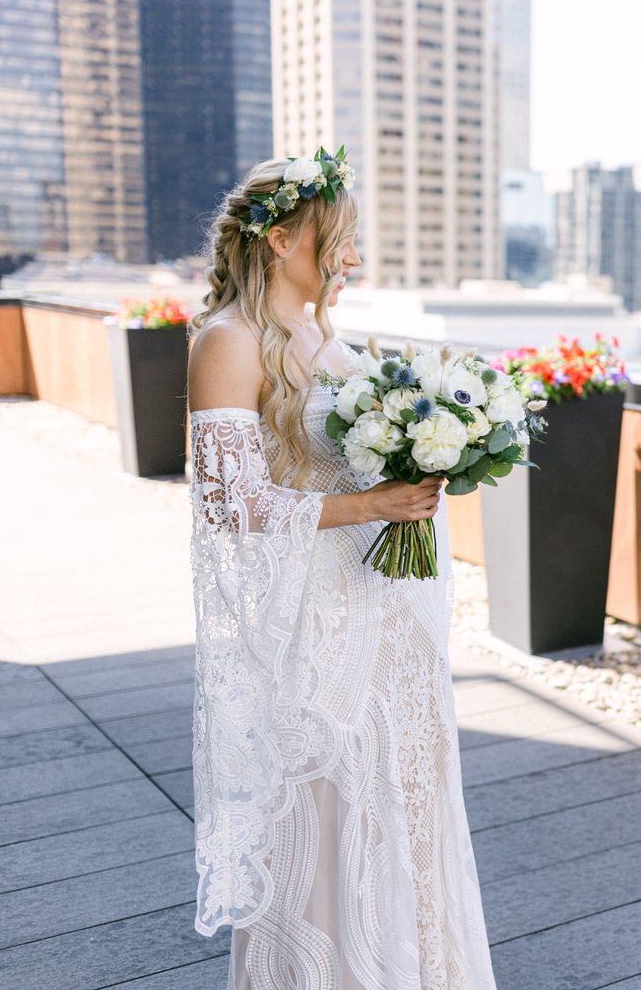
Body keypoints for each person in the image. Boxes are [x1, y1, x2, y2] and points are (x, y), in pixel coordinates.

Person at [186, 149, 497, 989]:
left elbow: (358, 462)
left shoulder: (328, 337)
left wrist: (430, 462)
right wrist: (371, 506)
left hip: (392, 615)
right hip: (318, 624)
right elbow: (229, 503)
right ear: (280, 238)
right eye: (340, 240)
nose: (353, 259)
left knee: (409, 807)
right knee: (333, 814)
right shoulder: (228, 340)